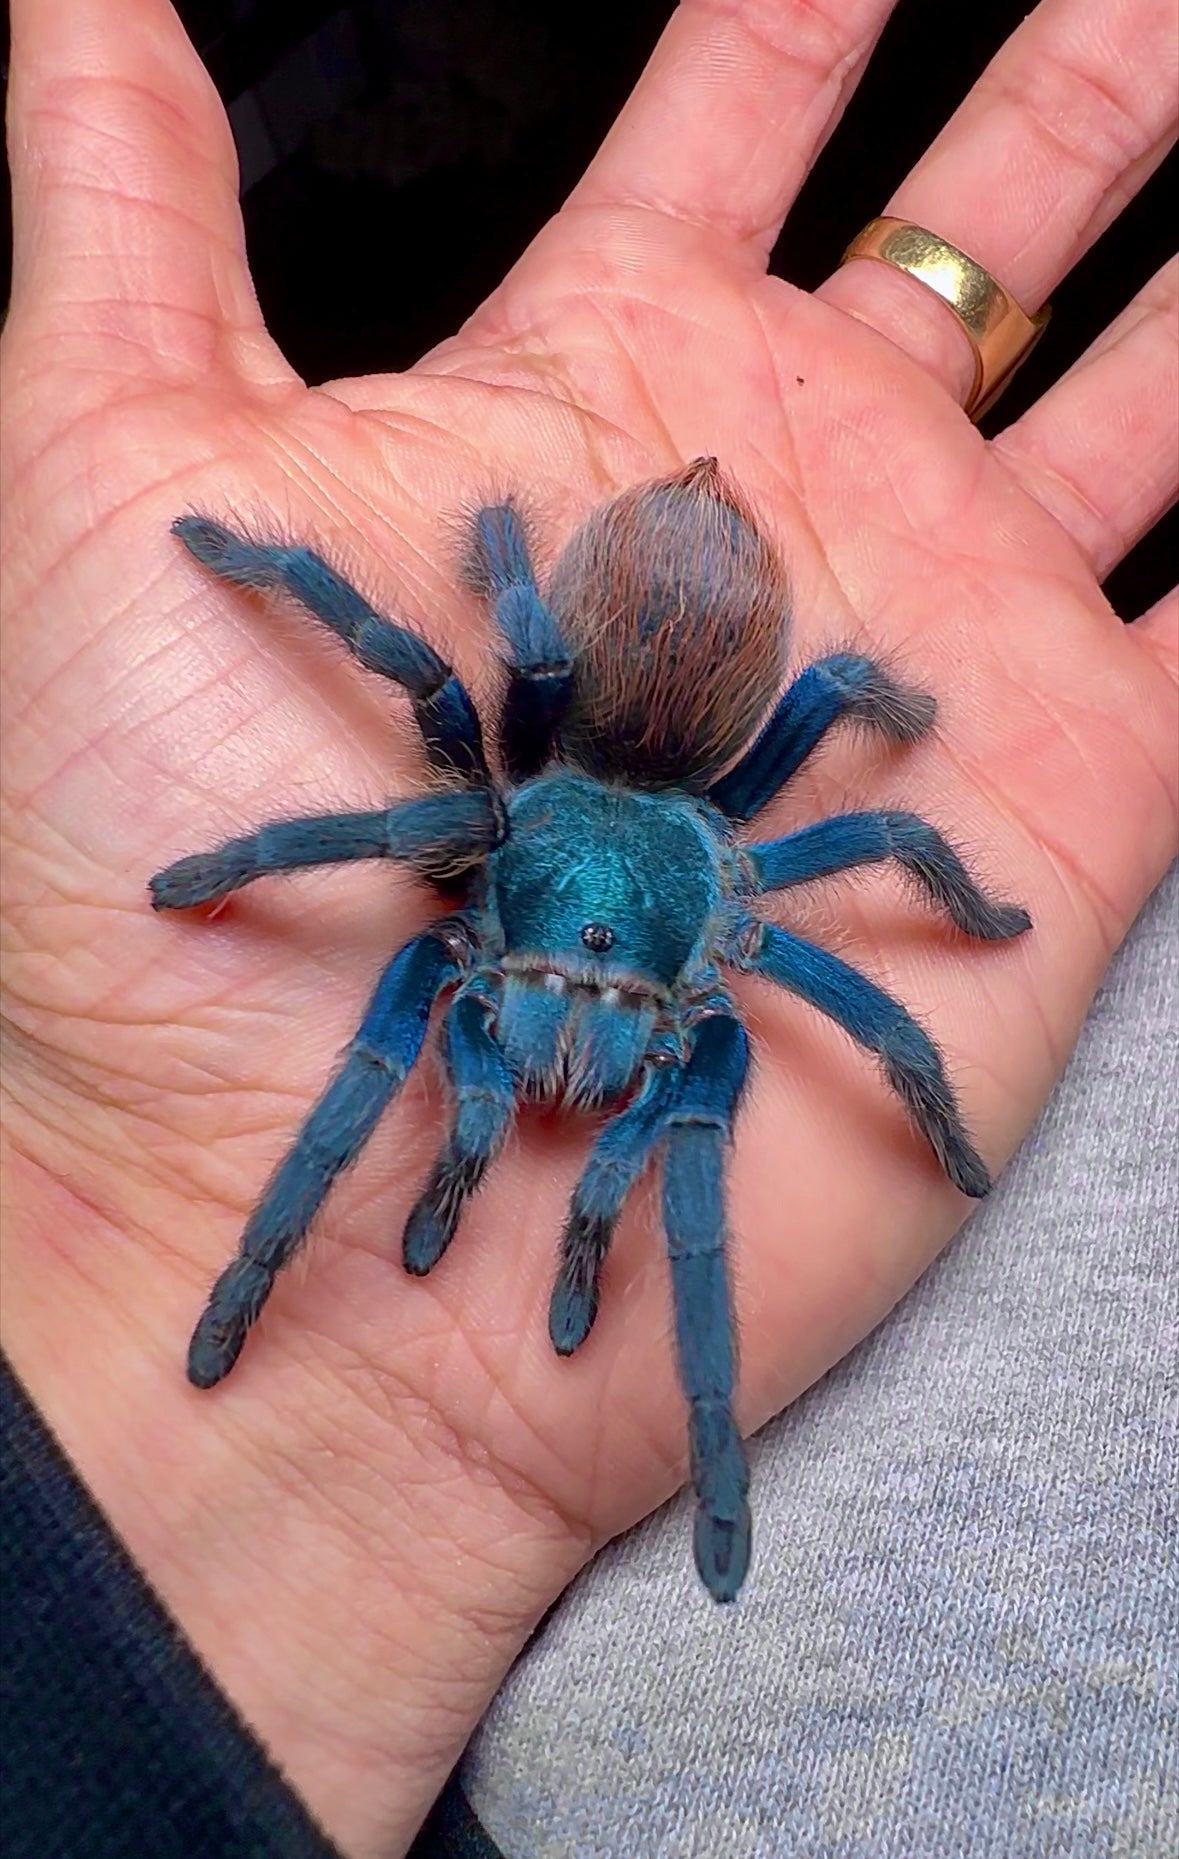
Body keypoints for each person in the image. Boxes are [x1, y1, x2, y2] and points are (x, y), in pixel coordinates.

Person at [1, 1, 1174, 1855]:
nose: (571, 1044)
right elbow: (408, 652)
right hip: (620, 697)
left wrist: (945, 1042)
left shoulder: (724, 912)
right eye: (574, 992)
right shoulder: (482, 830)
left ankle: (700, 1453)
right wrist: (227, 838)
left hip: (668, 716)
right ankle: (238, 1291)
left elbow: (885, 927)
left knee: (706, 1120)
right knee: (476, 754)